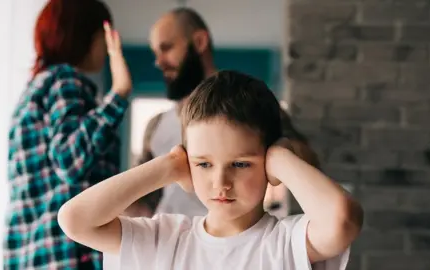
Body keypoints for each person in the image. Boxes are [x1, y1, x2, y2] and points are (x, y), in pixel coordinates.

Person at [58, 70, 363, 270]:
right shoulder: (166, 239)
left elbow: (343, 219)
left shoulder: (286, 242)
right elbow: (75, 220)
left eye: (240, 164)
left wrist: (282, 159)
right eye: (203, 164)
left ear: (268, 161)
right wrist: (167, 166)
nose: (221, 182)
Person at [131, 7, 319, 218]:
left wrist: (273, 153)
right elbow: (142, 202)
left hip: (233, 240)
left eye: (166, 48)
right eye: (156, 53)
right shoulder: (155, 126)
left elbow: (308, 162)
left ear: (200, 42)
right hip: (173, 242)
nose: (159, 62)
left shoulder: (250, 106)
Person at [3, 0, 132, 268]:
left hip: (33, 256)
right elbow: (69, 160)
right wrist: (119, 92)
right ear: (92, 36)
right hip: (68, 254)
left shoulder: (32, 92)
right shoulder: (65, 82)